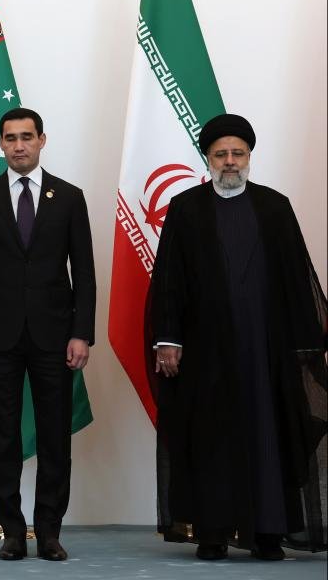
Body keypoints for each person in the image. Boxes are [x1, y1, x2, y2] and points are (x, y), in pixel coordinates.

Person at [150, 113, 328, 561]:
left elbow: (297, 277)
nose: (230, 161)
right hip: (205, 349)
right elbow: (169, 280)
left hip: (267, 348)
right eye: (221, 154)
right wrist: (168, 339)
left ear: (249, 157)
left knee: (267, 435)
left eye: (238, 153)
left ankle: (267, 532)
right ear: (207, 159)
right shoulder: (185, 207)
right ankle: (212, 532)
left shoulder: (274, 206)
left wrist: (307, 343)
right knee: (212, 437)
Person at [0, 107, 95, 562]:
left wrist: (82, 333)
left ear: (41, 140)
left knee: (55, 437)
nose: (19, 145)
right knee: (3, 437)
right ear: (0, 143)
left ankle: (50, 532)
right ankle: (13, 533)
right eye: (10, 138)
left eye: (27, 137)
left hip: (56, 338)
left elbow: (85, 273)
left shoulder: (69, 197)